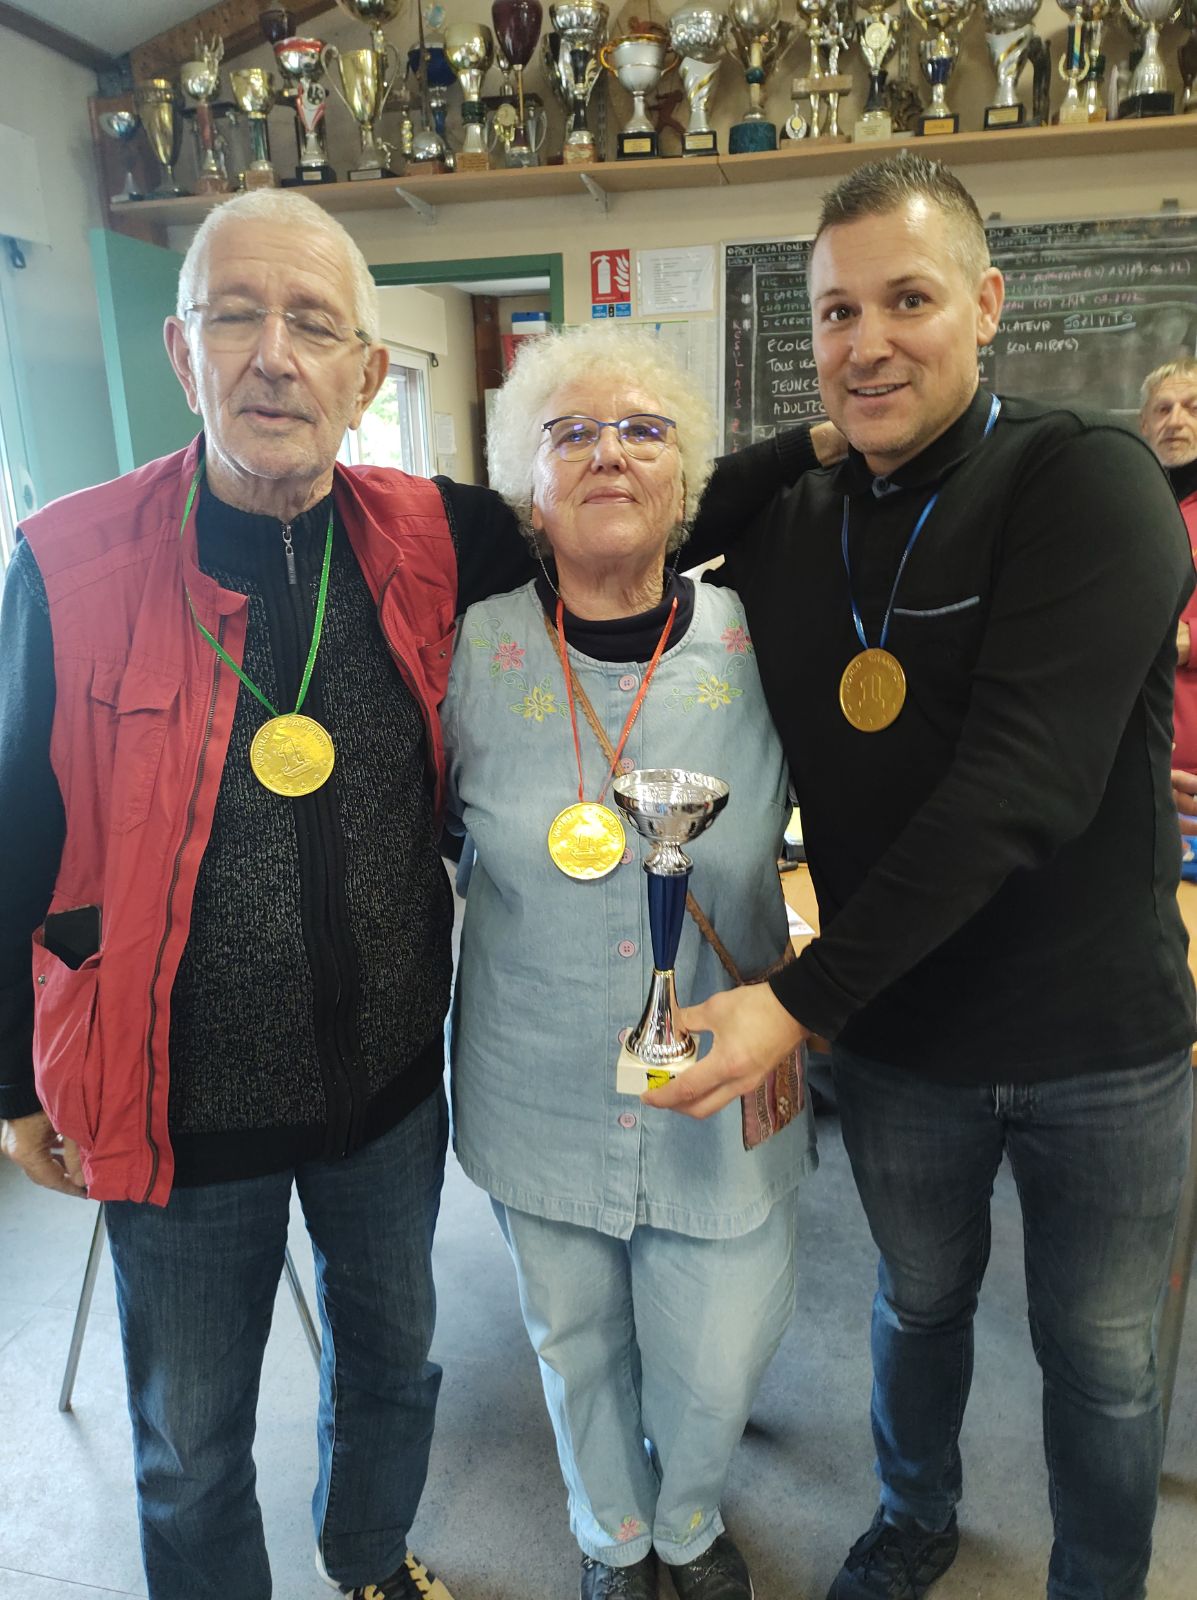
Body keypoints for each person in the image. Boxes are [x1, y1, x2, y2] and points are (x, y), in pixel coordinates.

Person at [0, 189, 843, 1600]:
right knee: (193, 1442)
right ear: (180, 348)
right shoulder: (68, 562)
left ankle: (371, 1562)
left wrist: (833, 432)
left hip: (386, 1087)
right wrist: (12, 1078)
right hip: (173, 1088)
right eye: (236, 317)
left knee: (395, 1371)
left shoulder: (434, 534)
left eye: (314, 325)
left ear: (363, 376)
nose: (274, 355)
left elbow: (633, 492)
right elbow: (13, 821)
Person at [647, 153, 1197, 1600]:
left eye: (907, 300)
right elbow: (654, 534)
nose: (867, 340)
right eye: (835, 315)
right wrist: (806, 445)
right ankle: (911, 1514)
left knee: (1104, 1357)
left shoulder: (1089, 478)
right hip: (904, 1044)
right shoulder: (791, 521)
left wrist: (797, 1001)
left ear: (988, 304)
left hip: (1101, 1048)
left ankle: (1098, 1577)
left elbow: (1021, 785)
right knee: (917, 1300)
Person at [443, 325, 816, 1600]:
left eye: (644, 430)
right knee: (574, 1334)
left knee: (715, 1347)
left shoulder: (768, 645)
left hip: (723, 1061)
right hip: (533, 1063)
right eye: (571, 433)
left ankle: (692, 1515)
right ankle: (613, 1535)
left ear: (686, 476)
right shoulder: (466, 648)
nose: (609, 452)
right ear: (527, 488)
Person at [1141, 357, 1197, 769]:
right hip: (1141, 760)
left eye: (1193, 407)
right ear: (1144, 426)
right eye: (1162, 409)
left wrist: (1190, 642)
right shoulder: (1124, 509)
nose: (1175, 421)